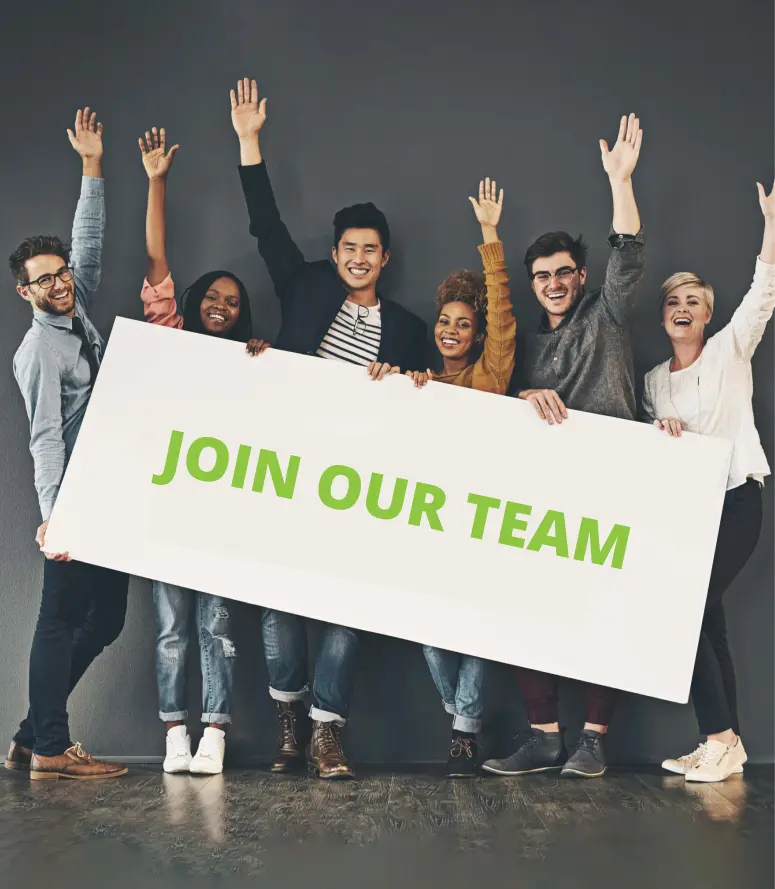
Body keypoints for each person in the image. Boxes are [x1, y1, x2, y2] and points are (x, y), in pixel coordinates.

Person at [232, 76, 428, 779]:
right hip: (286, 465)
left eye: (369, 249)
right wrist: (250, 143)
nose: (356, 257)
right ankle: (288, 719)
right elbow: (266, 227)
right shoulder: (306, 283)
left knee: (348, 606)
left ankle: (325, 730)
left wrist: (413, 381)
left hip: (357, 479)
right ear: (337, 250)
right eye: (348, 246)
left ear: (383, 257)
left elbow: (433, 404)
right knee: (280, 603)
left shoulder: (405, 327)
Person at [482, 113, 645, 779]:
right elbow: (497, 403)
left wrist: (620, 181)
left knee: (603, 611)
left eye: (563, 271)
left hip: (610, 480)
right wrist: (522, 397)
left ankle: (594, 739)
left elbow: (628, 251)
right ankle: (545, 734)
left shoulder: (605, 314)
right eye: (542, 273)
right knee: (528, 607)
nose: (552, 281)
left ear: (580, 276)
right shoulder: (524, 342)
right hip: (544, 489)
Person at [138, 126, 267, 775]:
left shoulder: (252, 362)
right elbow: (157, 260)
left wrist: (267, 369)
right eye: (213, 297)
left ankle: (215, 731)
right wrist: (157, 181)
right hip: (167, 507)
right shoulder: (172, 337)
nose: (221, 306)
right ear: (196, 305)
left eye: (233, 303)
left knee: (216, 626)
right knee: (169, 629)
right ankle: (173, 733)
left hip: (222, 514)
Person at [5, 108, 129, 781]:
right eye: (43, 280)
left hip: (105, 487)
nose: (58, 284)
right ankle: (51, 746)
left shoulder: (74, 308)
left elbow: (90, 246)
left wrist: (92, 166)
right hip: (76, 497)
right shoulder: (40, 352)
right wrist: (56, 514)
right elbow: (44, 436)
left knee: (104, 619)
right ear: (22, 291)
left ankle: (31, 734)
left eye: (60, 275)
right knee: (58, 618)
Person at [642, 177, 775, 783]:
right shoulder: (651, 382)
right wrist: (659, 429)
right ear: (664, 315)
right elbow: (650, 448)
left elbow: (764, 294)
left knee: (686, 607)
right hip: (688, 515)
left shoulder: (730, 351)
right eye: (674, 303)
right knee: (710, 622)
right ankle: (727, 743)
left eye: (693, 302)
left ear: (709, 313)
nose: (683, 309)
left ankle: (719, 735)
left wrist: (770, 223)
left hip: (737, 500)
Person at [407, 179, 515, 776]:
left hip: (479, 524)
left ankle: (464, 733)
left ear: (476, 336)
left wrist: (490, 237)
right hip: (428, 526)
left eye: (463, 324)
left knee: (476, 631)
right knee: (428, 629)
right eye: (445, 321)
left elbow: (502, 319)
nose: (452, 329)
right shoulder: (417, 385)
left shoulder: (488, 379)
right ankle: (459, 715)